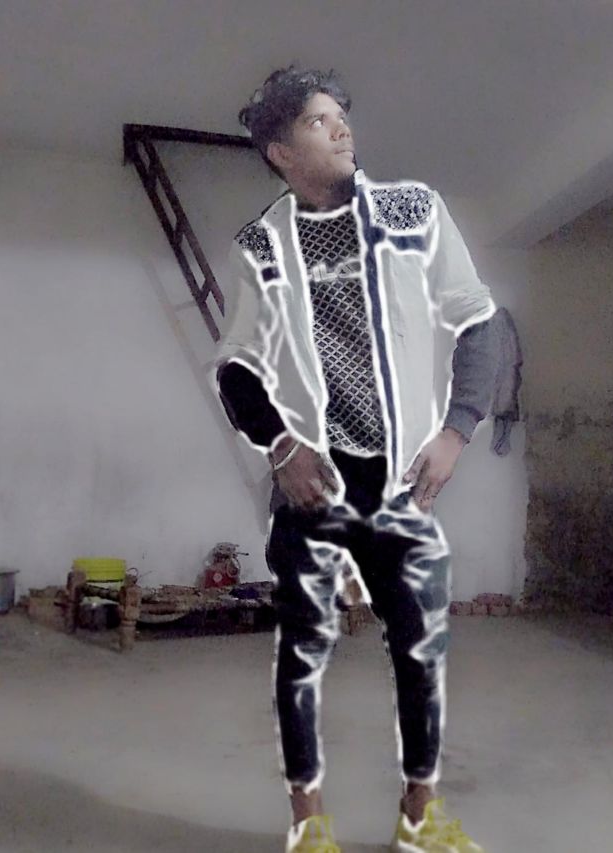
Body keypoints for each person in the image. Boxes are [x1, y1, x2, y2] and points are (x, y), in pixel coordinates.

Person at [213, 66, 497, 853]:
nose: (340, 127)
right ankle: (308, 824)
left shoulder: (414, 211)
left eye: (340, 114)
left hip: (401, 481)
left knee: (420, 648)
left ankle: (420, 814)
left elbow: (479, 320)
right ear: (280, 151)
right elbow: (236, 365)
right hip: (312, 483)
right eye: (317, 120)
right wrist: (280, 445)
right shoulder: (259, 246)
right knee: (302, 651)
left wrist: (457, 429)